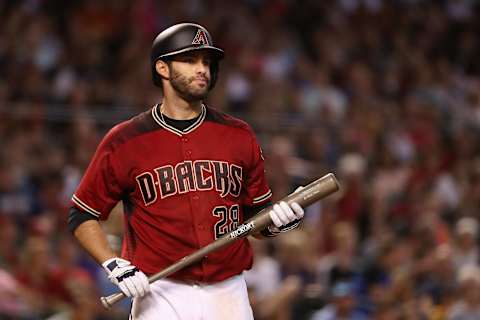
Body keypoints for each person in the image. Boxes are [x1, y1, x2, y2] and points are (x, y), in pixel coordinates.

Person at [68, 22, 305, 320]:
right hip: (160, 291)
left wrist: (279, 222)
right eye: (190, 60)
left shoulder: (238, 134)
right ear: (163, 69)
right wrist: (113, 263)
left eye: (207, 61)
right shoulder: (125, 140)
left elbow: (255, 219)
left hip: (228, 291)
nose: (202, 68)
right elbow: (82, 214)